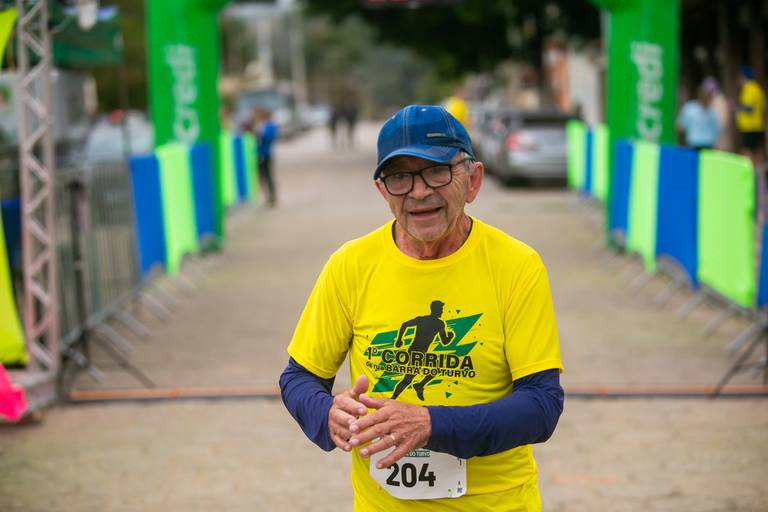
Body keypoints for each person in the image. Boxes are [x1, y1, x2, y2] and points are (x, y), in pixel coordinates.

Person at [280, 104, 564, 510]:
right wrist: (326, 414)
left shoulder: (516, 266)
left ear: (473, 181)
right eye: (400, 177)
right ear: (382, 191)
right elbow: (299, 377)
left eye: (436, 171)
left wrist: (431, 424)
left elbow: (541, 406)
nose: (418, 191)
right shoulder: (350, 265)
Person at [735, 66, 766, 170]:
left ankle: (751, 174)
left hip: (749, 127)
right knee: (758, 153)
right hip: (758, 126)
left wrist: (736, 106)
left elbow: (749, 108)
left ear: (743, 76)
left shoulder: (749, 89)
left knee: (747, 153)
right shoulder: (758, 88)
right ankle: (760, 174)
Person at [677, 82, 720, 151]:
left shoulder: (712, 111)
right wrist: (682, 144)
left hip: (708, 145)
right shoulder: (690, 108)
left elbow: (716, 130)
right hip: (692, 145)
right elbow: (681, 128)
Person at [253, 107, 278, 207]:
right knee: (261, 176)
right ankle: (266, 196)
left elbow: (267, 138)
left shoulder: (270, 126)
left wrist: (259, 134)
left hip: (265, 154)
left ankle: (271, 197)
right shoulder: (261, 126)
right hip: (259, 153)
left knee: (268, 176)